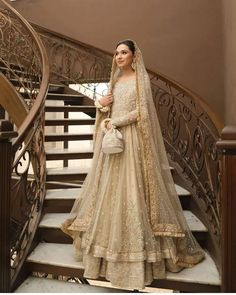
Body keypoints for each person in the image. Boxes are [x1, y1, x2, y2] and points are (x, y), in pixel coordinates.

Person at [61, 39, 205, 290]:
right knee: (110, 191)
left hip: (132, 141)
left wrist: (116, 123)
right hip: (113, 140)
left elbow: (142, 112)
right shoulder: (115, 80)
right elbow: (110, 108)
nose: (118, 57)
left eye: (123, 52)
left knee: (133, 191)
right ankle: (106, 253)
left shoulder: (141, 78)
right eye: (116, 53)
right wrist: (102, 111)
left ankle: (137, 256)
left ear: (133, 56)